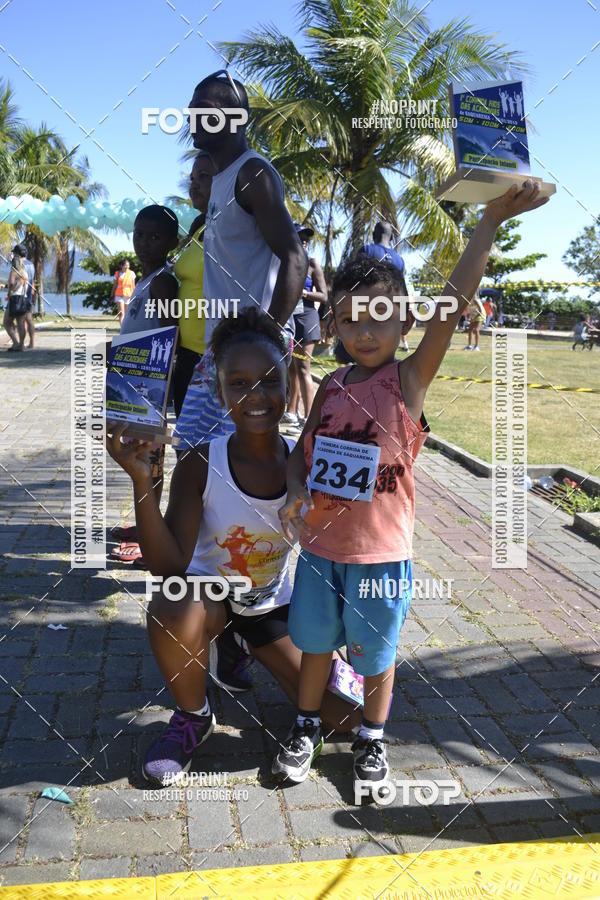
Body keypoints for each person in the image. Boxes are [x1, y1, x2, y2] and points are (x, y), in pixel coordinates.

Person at [272, 182, 549, 800]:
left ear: (403, 318)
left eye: (379, 316)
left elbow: (453, 306)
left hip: (379, 557)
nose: (364, 332)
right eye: (349, 318)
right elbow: (301, 455)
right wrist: (293, 490)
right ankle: (305, 726)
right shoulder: (332, 385)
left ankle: (372, 738)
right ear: (335, 321)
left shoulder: (407, 382)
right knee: (314, 645)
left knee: (374, 654)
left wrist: (489, 223)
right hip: (318, 551)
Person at [106, 309, 361, 786]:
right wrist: (143, 483)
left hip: (268, 603)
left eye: (268, 381)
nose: (256, 395)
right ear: (220, 391)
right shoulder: (203, 462)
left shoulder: (306, 462)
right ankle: (193, 716)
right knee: (172, 604)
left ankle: (238, 645)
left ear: (288, 382)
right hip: (211, 595)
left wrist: (337, 633)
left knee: (345, 718)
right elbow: (167, 565)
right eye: (239, 383)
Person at [174, 69, 307, 450]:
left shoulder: (252, 173)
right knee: (193, 457)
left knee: (239, 469)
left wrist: (267, 336)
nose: (191, 119)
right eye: (190, 110)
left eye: (203, 110)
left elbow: (295, 257)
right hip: (219, 349)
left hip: (247, 354)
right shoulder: (219, 179)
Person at [108, 206, 179, 562]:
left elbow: (167, 338)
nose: (145, 243)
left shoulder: (164, 282)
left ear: (172, 241)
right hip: (134, 383)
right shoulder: (145, 279)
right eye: (139, 235)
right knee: (137, 455)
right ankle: (143, 525)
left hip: (150, 387)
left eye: (155, 237)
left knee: (148, 460)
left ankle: (148, 539)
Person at [172, 152, 216, 418]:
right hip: (187, 355)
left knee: (208, 450)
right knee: (185, 446)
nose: (194, 185)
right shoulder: (200, 227)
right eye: (192, 178)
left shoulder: (234, 228)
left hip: (211, 358)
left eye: (204, 177)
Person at [284, 223, 328, 428]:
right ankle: (291, 411)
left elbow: (324, 295)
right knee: (291, 369)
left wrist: (305, 293)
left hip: (307, 318)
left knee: (303, 368)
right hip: (289, 317)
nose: (304, 240)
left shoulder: (312, 263)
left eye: (306, 238)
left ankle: (309, 418)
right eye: (300, 235)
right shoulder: (285, 260)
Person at [357, 222, 409, 351]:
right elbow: (402, 289)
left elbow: (355, 279)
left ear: (374, 234)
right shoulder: (399, 260)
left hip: (367, 308)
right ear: (391, 238)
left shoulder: (367, 250)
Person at [3, 247, 29, 351]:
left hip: (14, 298)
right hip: (23, 298)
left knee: (6, 322)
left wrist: (8, 292)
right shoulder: (24, 272)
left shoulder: (14, 271)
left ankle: (15, 342)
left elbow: (12, 283)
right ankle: (21, 345)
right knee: (21, 323)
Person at [110, 258, 136, 326]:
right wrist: (112, 295)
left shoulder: (131, 273)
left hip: (128, 295)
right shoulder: (117, 273)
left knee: (127, 313)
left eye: (128, 265)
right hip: (119, 295)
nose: (127, 267)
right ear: (121, 266)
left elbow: (133, 286)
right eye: (125, 265)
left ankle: (127, 327)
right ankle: (122, 329)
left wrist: (135, 295)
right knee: (121, 313)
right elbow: (115, 285)